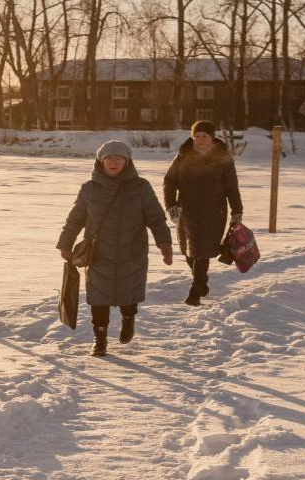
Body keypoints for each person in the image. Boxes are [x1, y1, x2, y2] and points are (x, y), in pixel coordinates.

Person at [58, 140, 174, 357]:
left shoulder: (141, 187)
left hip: (132, 252)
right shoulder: (89, 189)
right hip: (98, 253)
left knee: (128, 296)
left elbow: (156, 218)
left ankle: (128, 319)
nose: (113, 162)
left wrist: (164, 243)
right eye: (109, 158)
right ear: (100, 162)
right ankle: (99, 340)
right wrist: (65, 243)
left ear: (127, 162)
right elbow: (75, 219)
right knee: (98, 298)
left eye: (119, 158)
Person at [162, 120, 244, 306]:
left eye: (204, 136)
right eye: (197, 135)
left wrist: (237, 210)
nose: (200, 139)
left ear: (212, 138)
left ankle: (195, 292)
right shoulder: (182, 156)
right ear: (192, 137)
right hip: (187, 210)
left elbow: (232, 187)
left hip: (214, 211)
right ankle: (202, 282)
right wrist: (171, 206)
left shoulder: (223, 159)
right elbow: (169, 181)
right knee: (188, 250)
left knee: (202, 251)